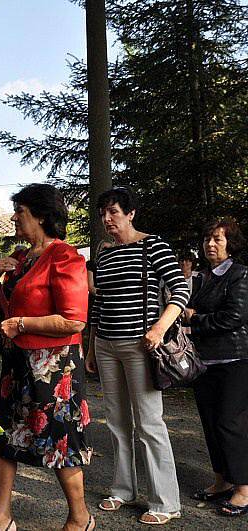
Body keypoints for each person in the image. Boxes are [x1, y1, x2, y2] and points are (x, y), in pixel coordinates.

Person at [0, 184, 93, 531]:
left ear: (43, 216)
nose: (15, 217)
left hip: (54, 366)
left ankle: (79, 518)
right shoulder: (21, 258)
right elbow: (1, 307)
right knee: (3, 439)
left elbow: (74, 319)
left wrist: (22, 324)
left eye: (22, 211)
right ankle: (1, 518)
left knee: (60, 441)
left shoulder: (65, 256)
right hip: (17, 364)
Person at [85, 187, 189, 526]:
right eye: (103, 213)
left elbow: (181, 288)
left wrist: (159, 328)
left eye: (113, 211)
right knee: (116, 420)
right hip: (107, 345)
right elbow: (98, 302)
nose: (107, 219)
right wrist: (91, 347)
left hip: (141, 346)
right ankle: (123, 489)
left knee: (149, 423)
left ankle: (165, 501)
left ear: (130, 213)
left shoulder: (153, 244)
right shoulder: (105, 253)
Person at [185, 219, 248, 517]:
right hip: (204, 361)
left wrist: (196, 318)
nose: (210, 244)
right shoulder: (204, 276)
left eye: (218, 239)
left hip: (235, 360)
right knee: (210, 423)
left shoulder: (240, 274)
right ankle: (221, 481)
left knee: (229, 423)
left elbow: (233, 318)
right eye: (208, 238)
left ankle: (244, 489)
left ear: (230, 243)